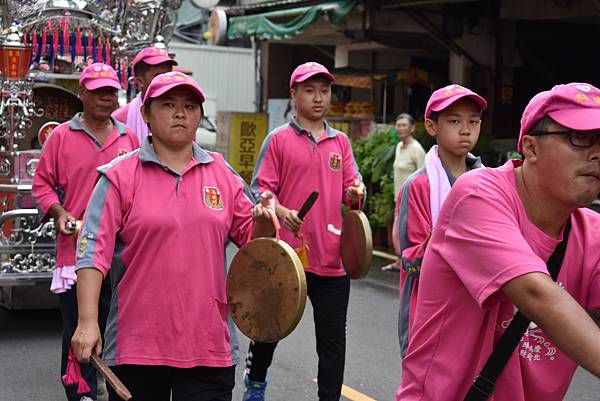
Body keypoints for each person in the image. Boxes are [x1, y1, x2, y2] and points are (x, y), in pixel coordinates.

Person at [70, 71, 276, 401]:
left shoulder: (222, 174)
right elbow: (91, 251)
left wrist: (264, 221)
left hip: (208, 346)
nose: (180, 113)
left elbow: (257, 249)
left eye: (190, 106)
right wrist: (87, 321)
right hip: (136, 346)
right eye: (168, 104)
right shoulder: (120, 176)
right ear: (147, 115)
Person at [396, 82, 600, 401]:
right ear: (530, 148)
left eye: (472, 120)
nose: (596, 152)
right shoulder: (475, 193)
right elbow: (537, 293)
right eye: (581, 137)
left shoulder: (591, 232)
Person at [241, 62, 365, 401]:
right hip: (285, 255)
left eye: (324, 91)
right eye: (309, 90)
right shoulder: (278, 140)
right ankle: (255, 385)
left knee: (332, 339)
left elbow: (353, 188)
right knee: (269, 328)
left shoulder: (340, 142)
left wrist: (356, 192)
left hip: (331, 257)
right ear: (294, 94)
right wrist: (281, 211)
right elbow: (261, 190)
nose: (318, 98)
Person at [32, 63, 139, 401]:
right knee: (77, 326)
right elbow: (42, 185)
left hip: (121, 254)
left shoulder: (129, 137)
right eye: (98, 92)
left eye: (111, 91)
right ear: (82, 94)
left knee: (117, 325)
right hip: (77, 249)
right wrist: (60, 212)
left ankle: (114, 383)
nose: (105, 98)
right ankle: (81, 390)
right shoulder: (62, 136)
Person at [396, 84, 487, 357]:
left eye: (473, 121)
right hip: (430, 309)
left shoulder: (489, 183)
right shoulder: (418, 186)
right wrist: (441, 237)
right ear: (431, 126)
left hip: (477, 306)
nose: (465, 130)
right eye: (454, 121)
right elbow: (411, 260)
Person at [381, 113, 425, 272]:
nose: (400, 128)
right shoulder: (399, 147)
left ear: (412, 128)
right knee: (397, 233)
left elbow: (424, 176)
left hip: (411, 199)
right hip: (397, 198)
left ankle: (408, 263)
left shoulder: (417, 149)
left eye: (404, 125)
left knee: (404, 232)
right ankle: (401, 262)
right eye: (398, 125)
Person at [112, 46, 177, 142]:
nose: (166, 81)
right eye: (158, 76)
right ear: (140, 81)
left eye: (168, 75)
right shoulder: (119, 119)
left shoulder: (181, 117)